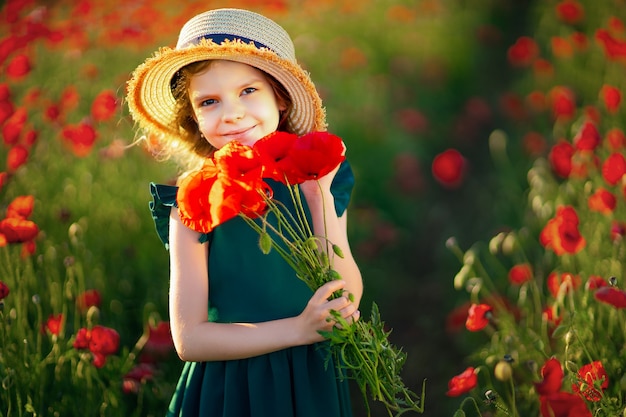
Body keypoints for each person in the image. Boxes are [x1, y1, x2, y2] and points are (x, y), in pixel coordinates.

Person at [126, 8, 363, 417]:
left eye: (248, 91)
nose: (231, 113)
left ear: (281, 98)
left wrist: (319, 197)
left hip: (310, 379)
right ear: (195, 118)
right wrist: (297, 330)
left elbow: (345, 294)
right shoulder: (193, 202)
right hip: (231, 387)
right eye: (210, 101)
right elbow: (189, 340)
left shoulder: (315, 179)